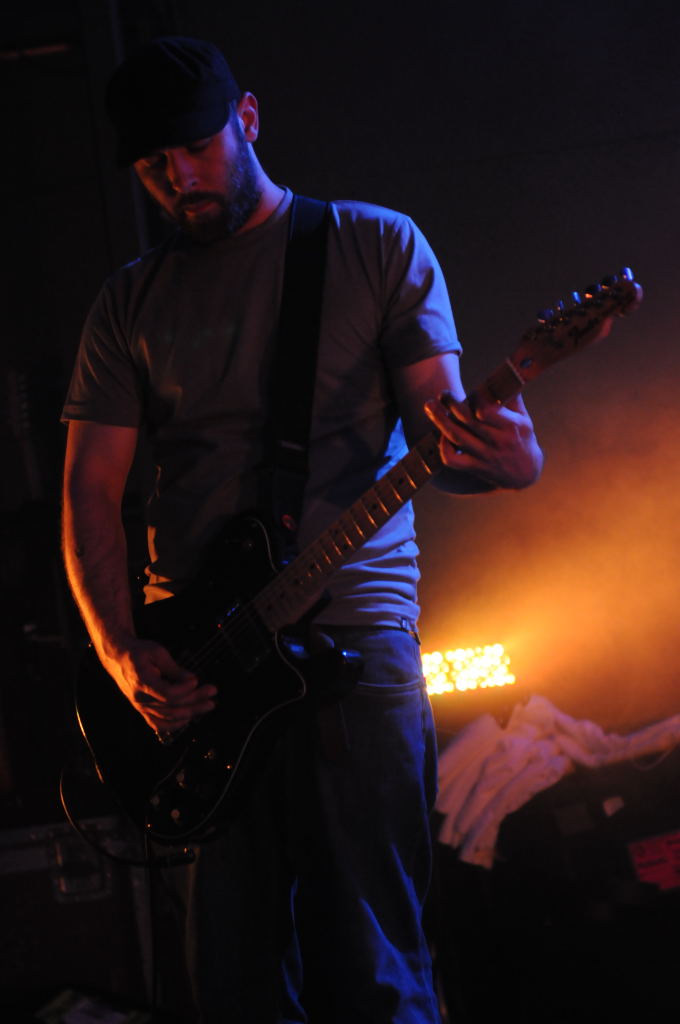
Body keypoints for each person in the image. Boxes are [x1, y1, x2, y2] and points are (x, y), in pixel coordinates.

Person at [61, 36, 543, 1024]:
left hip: (350, 637)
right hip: (193, 662)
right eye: (152, 164)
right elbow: (89, 493)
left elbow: (442, 439)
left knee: (373, 965)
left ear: (247, 119)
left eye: (196, 147)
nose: (178, 177)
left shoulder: (373, 245)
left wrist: (507, 458)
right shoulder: (127, 302)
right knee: (231, 978)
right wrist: (119, 651)